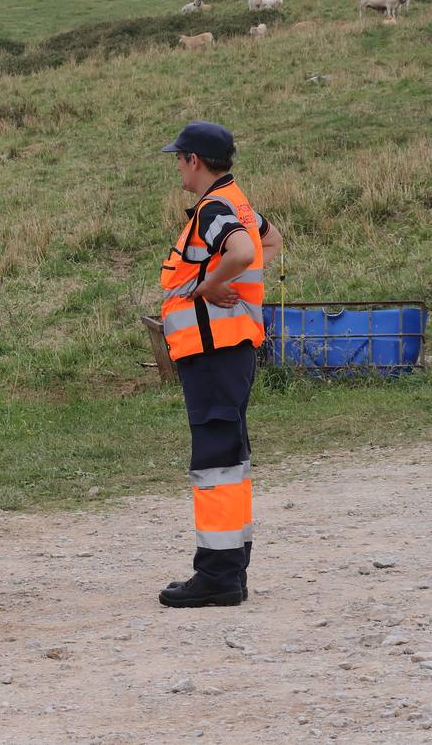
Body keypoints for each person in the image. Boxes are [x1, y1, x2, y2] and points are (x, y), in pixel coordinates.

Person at [157, 121, 283, 608]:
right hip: (232, 349)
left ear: (195, 160)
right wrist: (228, 279)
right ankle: (230, 568)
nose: (177, 167)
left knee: (216, 462)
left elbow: (246, 250)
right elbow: (270, 241)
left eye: (179, 158)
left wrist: (210, 285)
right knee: (231, 459)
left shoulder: (213, 207)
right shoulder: (239, 201)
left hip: (214, 352)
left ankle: (218, 574)